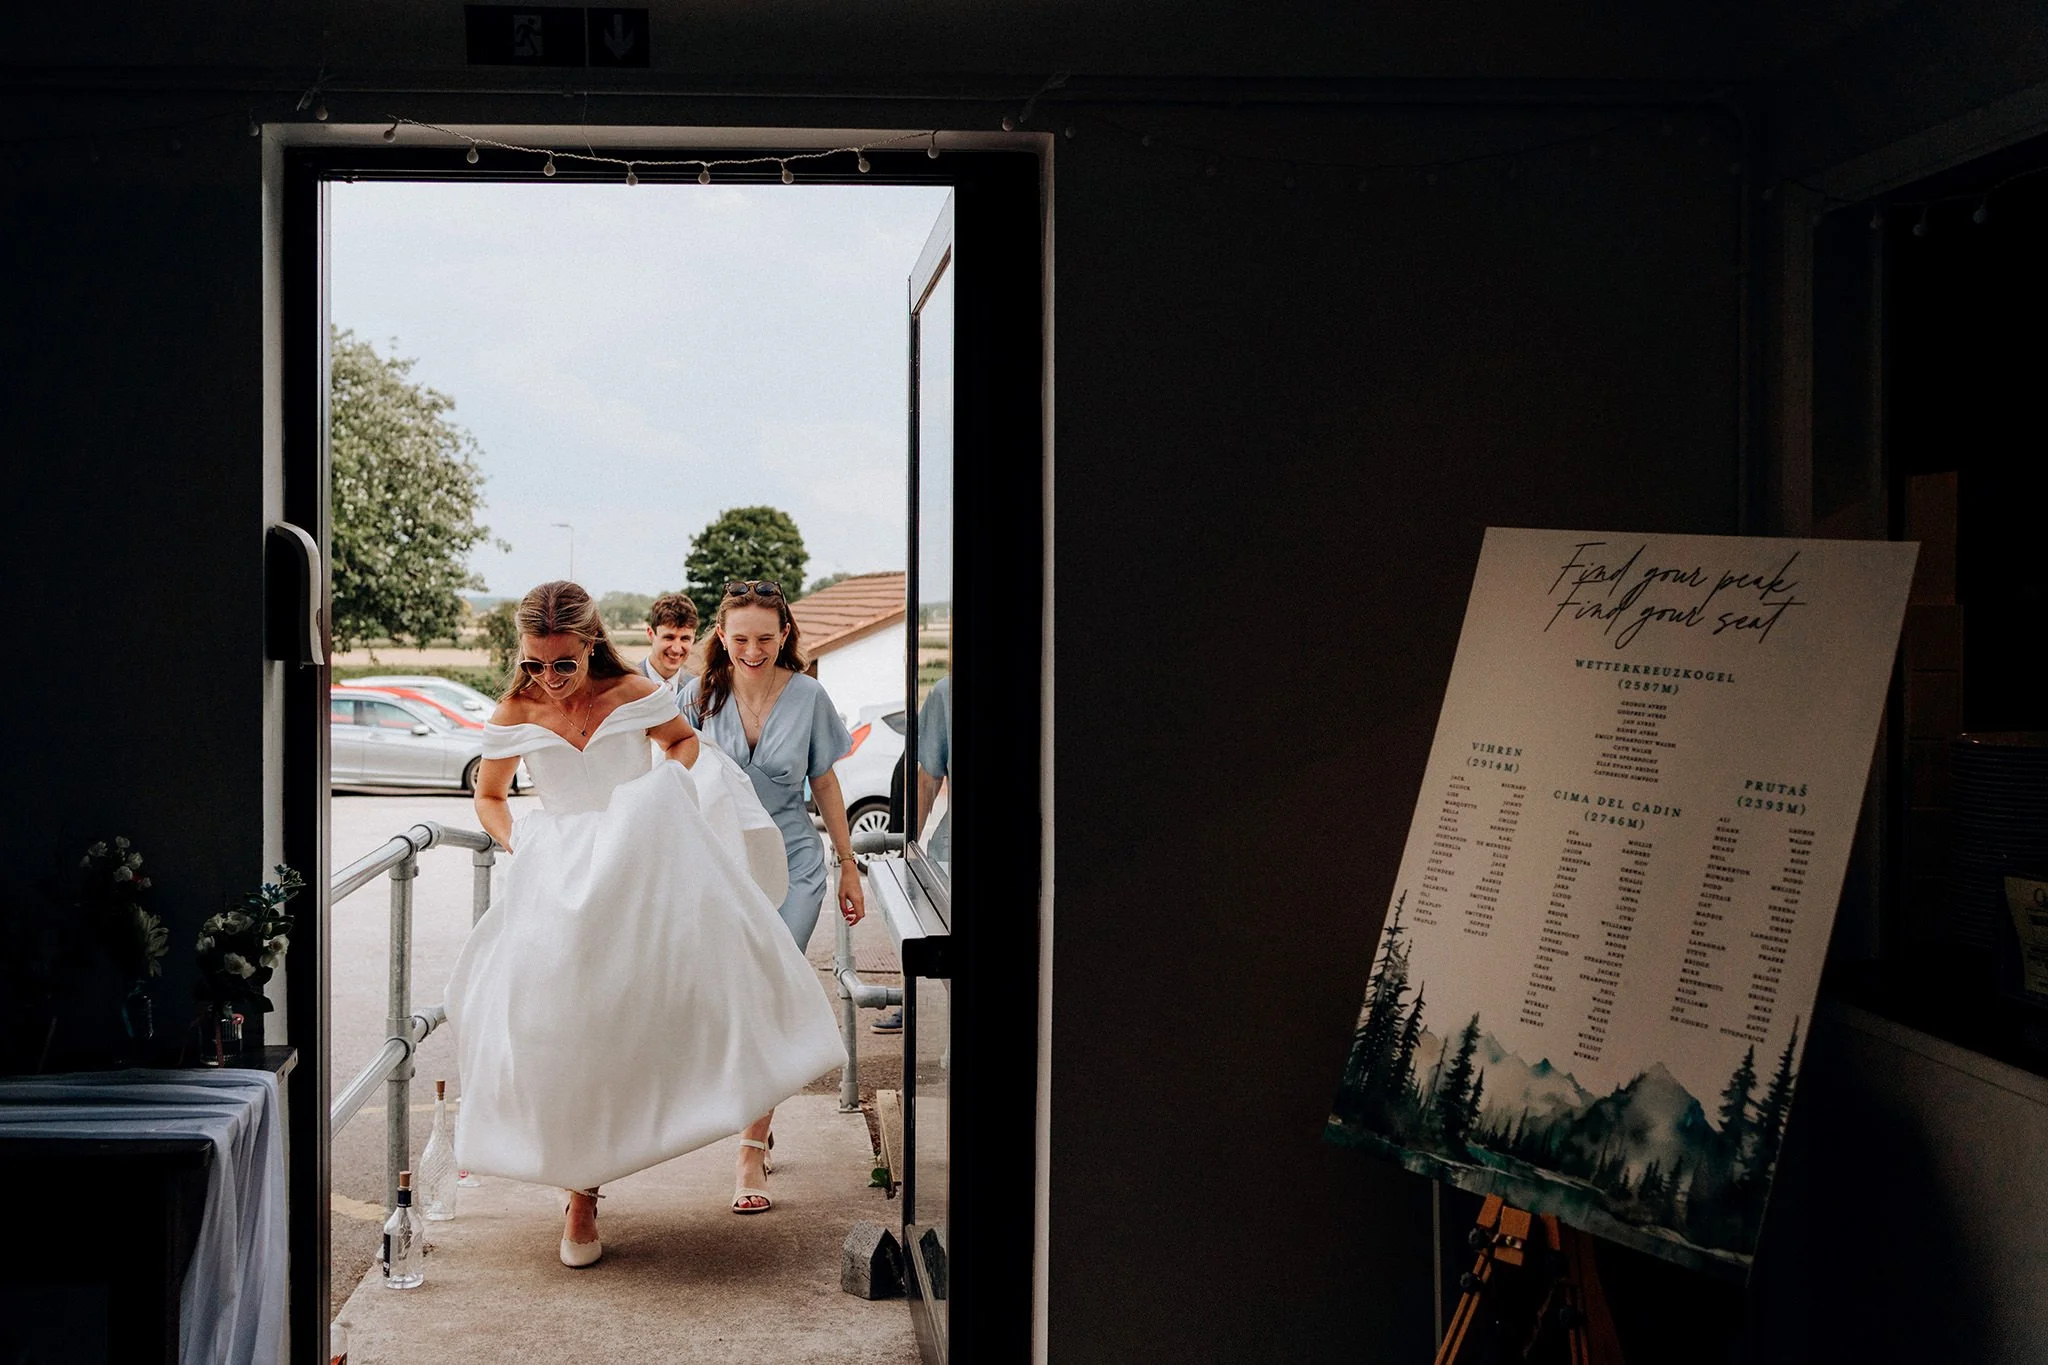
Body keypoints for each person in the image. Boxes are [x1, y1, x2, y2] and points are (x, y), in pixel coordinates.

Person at [444, 581, 842, 1266]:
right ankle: (580, 1195)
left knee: (651, 1012)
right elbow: (488, 794)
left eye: (563, 663)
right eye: (535, 662)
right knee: (561, 1028)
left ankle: (734, 1138)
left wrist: (652, 802)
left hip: (635, 874)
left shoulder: (633, 692)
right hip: (559, 880)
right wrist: (526, 843)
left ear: (590, 642)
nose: (550, 677)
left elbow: (684, 747)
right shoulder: (516, 706)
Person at [680, 579, 866, 1211]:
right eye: (739, 639)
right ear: (722, 638)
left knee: (766, 993)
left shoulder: (809, 696)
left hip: (794, 869)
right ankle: (758, 1109)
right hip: (724, 866)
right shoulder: (699, 695)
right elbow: (664, 776)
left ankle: (750, 1146)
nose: (752, 650)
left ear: (784, 634)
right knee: (733, 994)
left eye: (765, 638)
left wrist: (848, 866)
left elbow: (828, 785)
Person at [639, 591, 698, 697]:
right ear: (651, 634)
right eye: (669, 638)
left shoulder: (698, 690)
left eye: (685, 639)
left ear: (694, 637)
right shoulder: (625, 683)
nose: (676, 649)